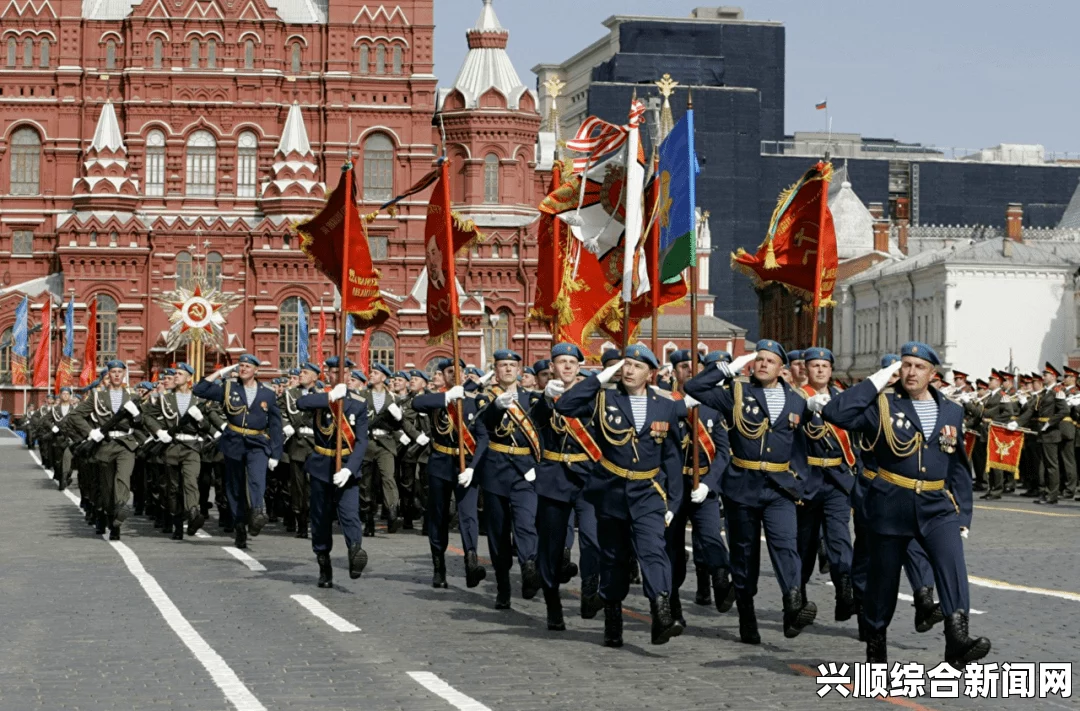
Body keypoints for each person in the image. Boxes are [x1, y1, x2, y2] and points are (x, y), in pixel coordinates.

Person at [818, 341, 989, 667]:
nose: (911, 372)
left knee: (953, 563)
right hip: (890, 504)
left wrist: (964, 513)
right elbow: (834, 412)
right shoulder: (882, 404)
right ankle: (876, 645)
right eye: (906, 365)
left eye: (919, 367)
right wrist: (879, 379)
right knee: (883, 582)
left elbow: (958, 466)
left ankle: (957, 638)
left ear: (932, 374)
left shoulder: (951, 409)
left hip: (936, 505)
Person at [684, 340, 816, 644]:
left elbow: (802, 445)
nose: (763, 364)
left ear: (782, 368)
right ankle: (746, 615)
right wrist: (725, 369)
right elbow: (694, 387)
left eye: (770, 360)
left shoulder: (796, 400)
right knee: (744, 555)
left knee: (786, 545)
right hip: (742, 486)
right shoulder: (736, 393)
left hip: (780, 487)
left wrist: (800, 478)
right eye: (759, 359)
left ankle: (793, 605)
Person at [552, 343, 684, 647]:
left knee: (653, 549)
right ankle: (612, 615)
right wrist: (598, 378)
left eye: (637, 366)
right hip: (611, 490)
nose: (628, 370)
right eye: (625, 364)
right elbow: (565, 406)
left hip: (648, 492)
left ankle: (661, 610)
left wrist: (673, 502)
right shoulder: (604, 398)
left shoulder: (665, 405)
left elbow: (673, 457)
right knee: (613, 558)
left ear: (650, 373)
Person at [531, 342, 601, 630]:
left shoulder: (593, 397)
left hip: (588, 477)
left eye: (572, 362)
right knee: (551, 545)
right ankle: (553, 604)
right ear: (552, 367)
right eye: (561, 361)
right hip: (555, 478)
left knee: (592, 538)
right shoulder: (544, 399)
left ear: (580, 367)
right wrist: (546, 401)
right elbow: (533, 424)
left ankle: (589, 590)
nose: (568, 366)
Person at [665, 349, 735, 627]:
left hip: (703, 486)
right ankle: (672, 607)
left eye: (695, 366)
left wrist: (709, 484)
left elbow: (723, 453)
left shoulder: (713, 407)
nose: (690, 371)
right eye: (683, 366)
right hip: (674, 488)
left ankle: (720, 581)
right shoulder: (665, 403)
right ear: (674, 372)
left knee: (711, 538)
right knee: (673, 551)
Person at [410, 358, 489, 589]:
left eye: (460, 371)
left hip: (466, 465)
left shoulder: (475, 400)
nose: (456, 375)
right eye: (450, 372)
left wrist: (474, 467)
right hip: (440, 464)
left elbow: (483, 436)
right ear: (443, 376)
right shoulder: (437, 400)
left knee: (468, 515)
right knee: (438, 515)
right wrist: (446, 397)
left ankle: (471, 563)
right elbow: (417, 404)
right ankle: (438, 566)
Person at [193, 354, 284, 549]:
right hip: (234, 442)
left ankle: (258, 512)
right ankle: (240, 526)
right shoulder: (228, 388)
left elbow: (276, 425)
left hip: (257, 442)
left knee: (257, 478)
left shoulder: (267, 393)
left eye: (247, 366)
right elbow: (199, 389)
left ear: (256, 370)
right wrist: (220, 372)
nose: (243, 369)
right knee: (234, 488)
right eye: (241, 366)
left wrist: (276, 453)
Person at [795, 347, 857, 622]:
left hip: (836, 480)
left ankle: (845, 593)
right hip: (807, 481)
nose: (820, 370)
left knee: (839, 538)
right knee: (805, 545)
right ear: (805, 369)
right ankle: (798, 597)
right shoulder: (795, 399)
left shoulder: (841, 400)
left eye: (824, 366)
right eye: (814, 366)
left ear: (831, 370)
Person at [478, 349, 541, 609]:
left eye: (511, 365)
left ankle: (528, 566)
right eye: (502, 365)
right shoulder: (486, 399)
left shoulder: (531, 399)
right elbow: (481, 427)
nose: (507, 369)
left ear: (519, 370)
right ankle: (503, 586)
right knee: (499, 532)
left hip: (525, 470)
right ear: (495, 370)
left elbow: (542, 429)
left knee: (526, 523)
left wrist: (538, 464)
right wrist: (495, 408)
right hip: (496, 470)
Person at [295, 365, 369, 587]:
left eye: (344, 372)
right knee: (320, 518)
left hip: (346, 465)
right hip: (321, 466)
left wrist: (349, 468)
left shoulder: (359, 403)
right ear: (328, 375)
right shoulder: (320, 398)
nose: (340, 376)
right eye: (335, 372)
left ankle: (355, 550)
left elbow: (362, 440)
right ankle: (324, 564)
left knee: (349, 514)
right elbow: (300, 404)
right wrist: (329, 397)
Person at [68, 360, 142, 540]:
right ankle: (112, 519)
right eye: (113, 372)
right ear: (108, 374)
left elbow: (143, 422)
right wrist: (90, 432)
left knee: (122, 478)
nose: (116, 375)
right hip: (104, 445)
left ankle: (121, 507)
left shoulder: (133, 396)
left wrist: (137, 414)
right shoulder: (97, 396)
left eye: (119, 371)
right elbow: (75, 415)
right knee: (107, 488)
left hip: (125, 444)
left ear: (124, 374)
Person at [143, 363, 214, 540]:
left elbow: (207, 426)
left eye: (180, 374)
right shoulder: (165, 399)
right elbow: (147, 416)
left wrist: (200, 420)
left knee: (190, 482)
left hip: (192, 448)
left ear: (189, 378)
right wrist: (159, 431)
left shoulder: (199, 401)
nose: (176, 376)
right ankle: (177, 525)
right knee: (173, 488)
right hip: (171, 447)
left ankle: (193, 514)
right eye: (175, 373)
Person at [362, 361, 405, 534]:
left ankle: (392, 511)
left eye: (375, 373)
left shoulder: (394, 398)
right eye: (371, 372)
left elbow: (399, 424)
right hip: (367, 442)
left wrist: (398, 416)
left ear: (384, 377)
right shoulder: (362, 395)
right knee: (366, 484)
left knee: (388, 478)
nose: (371, 375)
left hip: (386, 443)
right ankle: (368, 518)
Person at [1015, 363, 1066, 504]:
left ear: (1053, 376)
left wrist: (1050, 423)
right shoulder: (1044, 393)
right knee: (1044, 466)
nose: (1043, 377)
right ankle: (1046, 491)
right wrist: (1017, 423)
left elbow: (1064, 410)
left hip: (1051, 432)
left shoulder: (1057, 391)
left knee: (1051, 466)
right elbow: (1031, 410)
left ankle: (1052, 495)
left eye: (1045, 375)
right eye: (1043, 374)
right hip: (1042, 433)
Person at [281, 363, 320, 537]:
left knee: (314, 485)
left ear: (315, 377)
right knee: (297, 486)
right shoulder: (290, 394)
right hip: (297, 443)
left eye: (305, 373)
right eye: (301, 372)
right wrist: (286, 425)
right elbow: (279, 412)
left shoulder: (322, 396)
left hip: (315, 445)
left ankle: (313, 519)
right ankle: (300, 521)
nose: (301, 375)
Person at [400, 369, 433, 530]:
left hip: (427, 448)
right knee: (407, 484)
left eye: (416, 379)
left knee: (426, 486)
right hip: (410, 447)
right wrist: (414, 435)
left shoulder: (430, 399)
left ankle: (427, 521)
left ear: (424, 383)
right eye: (411, 378)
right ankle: (407, 518)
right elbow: (403, 421)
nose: (412, 381)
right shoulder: (406, 401)